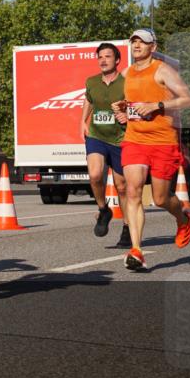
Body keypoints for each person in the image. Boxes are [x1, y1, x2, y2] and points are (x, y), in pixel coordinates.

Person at [110, 28, 190, 271]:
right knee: (133, 192)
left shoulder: (162, 70)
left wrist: (157, 105)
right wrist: (121, 110)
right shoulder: (125, 74)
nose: (137, 45)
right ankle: (136, 250)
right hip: (135, 140)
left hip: (163, 141)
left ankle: (182, 218)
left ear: (153, 47)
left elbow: (188, 99)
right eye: (134, 41)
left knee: (160, 199)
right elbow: (127, 107)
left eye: (142, 42)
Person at [80, 42, 130, 245]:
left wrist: (127, 114)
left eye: (107, 56)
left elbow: (136, 104)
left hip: (120, 139)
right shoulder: (91, 81)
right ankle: (103, 209)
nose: (103, 60)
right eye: (100, 56)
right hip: (96, 136)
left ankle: (127, 227)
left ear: (117, 60)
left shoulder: (126, 82)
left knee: (122, 186)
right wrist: (83, 120)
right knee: (94, 175)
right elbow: (89, 100)